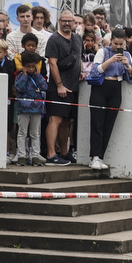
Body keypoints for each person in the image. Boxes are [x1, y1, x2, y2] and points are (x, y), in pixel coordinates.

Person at [85, 28, 132, 170]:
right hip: (101, 87)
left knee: (109, 124)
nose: (118, 47)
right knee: (97, 122)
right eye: (115, 44)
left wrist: (127, 66)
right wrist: (110, 60)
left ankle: (101, 156)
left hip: (116, 87)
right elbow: (95, 71)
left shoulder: (127, 54)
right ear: (110, 41)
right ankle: (94, 156)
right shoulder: (103, 52)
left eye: (121, 44)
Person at [44, 9, 83, 166]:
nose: (67, 23)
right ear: (59, 21)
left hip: (74, 87)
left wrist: (82, 72)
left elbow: (78, 58)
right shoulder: (54, 39)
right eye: (64, 20)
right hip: (58, 87)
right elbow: (52, 63)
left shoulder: (78, 39)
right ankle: (51, 154)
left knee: (67, 121)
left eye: (70, 21)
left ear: (74, 22)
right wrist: (59, 85)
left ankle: (64, 153)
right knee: (55, 119)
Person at [10, 50, 47, 166]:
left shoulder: (38, 77)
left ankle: (35, 155)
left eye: (33, 66)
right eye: (28, 67)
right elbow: (19, 88)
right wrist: (25, 75)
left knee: (35, 133)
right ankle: (21, 155)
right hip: (23, 109)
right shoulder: (20, 77)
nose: (31, 69)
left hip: (36, 109)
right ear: (24, 66)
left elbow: (44, 86)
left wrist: (37, 74)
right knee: (22, 132)